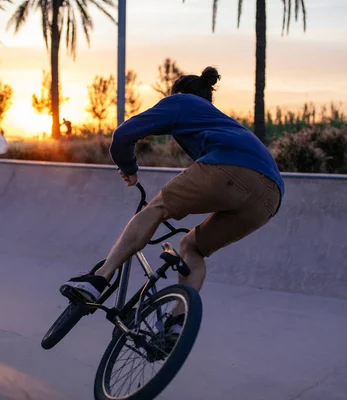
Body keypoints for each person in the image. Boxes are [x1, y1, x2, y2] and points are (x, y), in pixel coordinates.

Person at [60, 66, 284, 332]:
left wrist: (129, 168)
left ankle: (97, 280)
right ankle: (175, 325)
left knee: (156, 208)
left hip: (227, 166)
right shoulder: (220, 120)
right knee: (193, 247)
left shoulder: (181, 101)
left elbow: (122, 135)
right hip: (271, 197)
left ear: (177, 93)